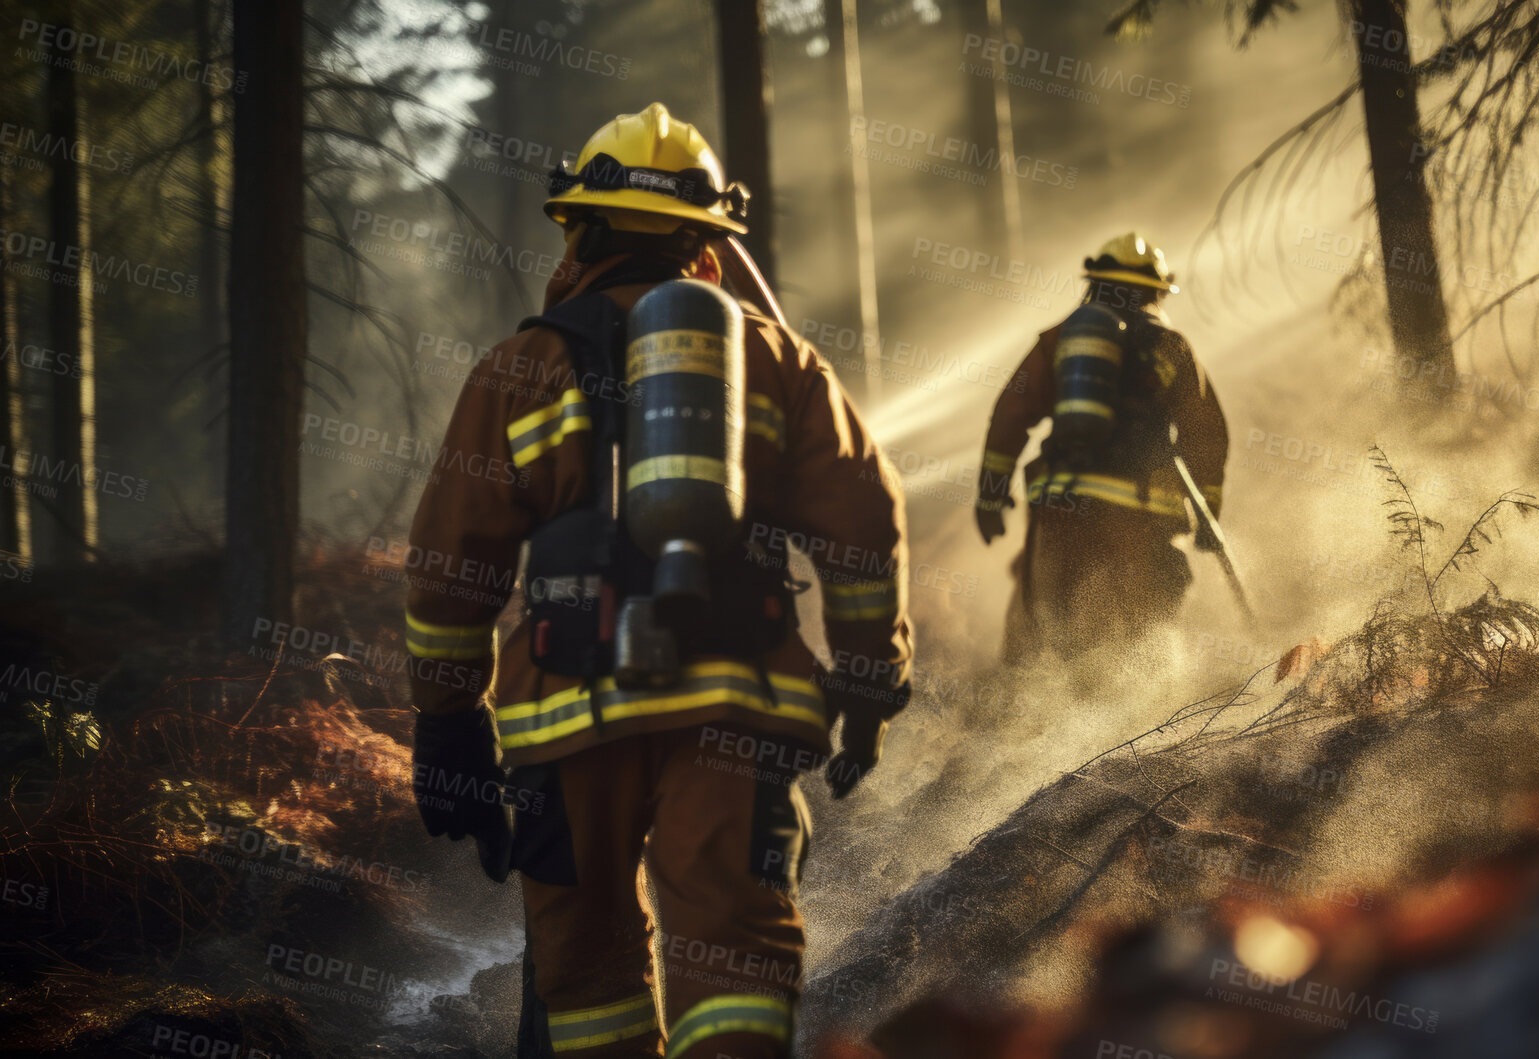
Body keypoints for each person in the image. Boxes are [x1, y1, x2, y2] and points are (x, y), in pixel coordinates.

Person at [402, 103, 912, 1058]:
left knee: (586, 970)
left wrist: (447, 722)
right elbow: (862, 529)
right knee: (732, 954)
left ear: (579, 230)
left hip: (566, 715)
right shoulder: (780, 360)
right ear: (708, 246)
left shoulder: (518, 368)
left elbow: (450, 565)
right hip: (738, 704)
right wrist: (866, 679)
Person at [975, 233, 1228, 664]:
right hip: (1142, 520)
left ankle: (1022, 716)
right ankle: (1140, 720)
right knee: (1136, 640)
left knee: (1044, 631)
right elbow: (1206, 435)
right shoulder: (1174, 348)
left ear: (1095, 282)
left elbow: (1010, 416)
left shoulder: (1059, 340)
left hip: (1063, 512)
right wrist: (1209, 511)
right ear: (1155, 290)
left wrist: (990, 494)